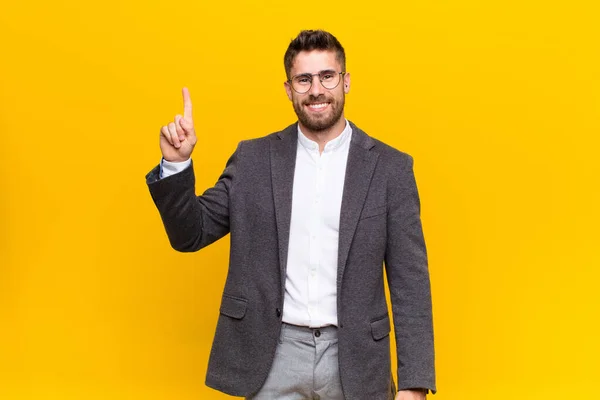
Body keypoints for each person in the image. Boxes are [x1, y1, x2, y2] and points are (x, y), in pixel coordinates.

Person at [146, 30, 436, 400]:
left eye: (327, 76)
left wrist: (414, 384)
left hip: (357, 361)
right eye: (304, 79)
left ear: (346, 81)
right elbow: (191, 234)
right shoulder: (253, 160)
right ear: (288, 89)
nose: (316, 90)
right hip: (271, 357)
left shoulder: (390, 169)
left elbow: (411, 282)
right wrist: (176, 165)